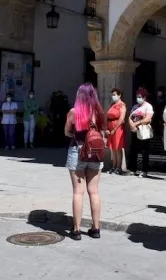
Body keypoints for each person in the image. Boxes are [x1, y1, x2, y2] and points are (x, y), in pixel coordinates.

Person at [65, 83, 105, 241]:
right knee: (94, 191)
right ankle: (96, 228)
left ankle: (76, 230)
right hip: (95, 153)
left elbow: (67, 132)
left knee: (78, 192)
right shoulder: (98, 112)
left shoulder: (73, 112)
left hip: (78, 151)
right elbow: (103, 132)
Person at [128, 87, 154, 178]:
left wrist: (136, 124)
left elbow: (148, 118)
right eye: (137, 96)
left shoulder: (148, 106)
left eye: (140, 97)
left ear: (144, 97)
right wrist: (132, 126)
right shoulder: (135, 107)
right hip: (135, 131)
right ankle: (133, 169)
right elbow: (130, 117)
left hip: (143, 131)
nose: (138, 98)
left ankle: (144, 170)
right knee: (133, 149)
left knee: (144, 151)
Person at [105, 88, 127, 174]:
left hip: (118, 128)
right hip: (110, 127)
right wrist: (107, 128)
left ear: (119, 95)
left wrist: (114, 129)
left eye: (114, 95)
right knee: (113, 148)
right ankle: (113, 166)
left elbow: (121, 118)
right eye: (112, 95)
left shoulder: (122, 105)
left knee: (118, 147)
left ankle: (118, 167)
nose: (113, 96)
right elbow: (108, 116)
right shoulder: (112, 104)